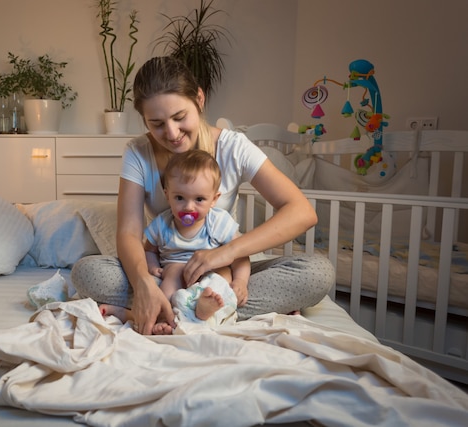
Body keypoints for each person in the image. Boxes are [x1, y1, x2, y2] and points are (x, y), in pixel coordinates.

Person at [72, 56, 334, 335]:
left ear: (199, 99)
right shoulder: (137, 153)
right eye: (156, 123)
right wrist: (144, 284)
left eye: (179, 117)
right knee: (87, 272)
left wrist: (224, 253)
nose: (171, 133)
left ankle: (177, 310)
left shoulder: (233, 147)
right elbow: (128, 232)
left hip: (221, 273)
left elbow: (302, 211)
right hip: (167, 273)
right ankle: (205, 310)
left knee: (317, 273)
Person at [100, 150, 249, 333]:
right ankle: (164, 315)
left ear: (214, 199)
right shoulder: (162, 224)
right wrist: (152, 267)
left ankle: (204, 307)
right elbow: (149, 250)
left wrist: (240, 282)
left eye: (199, 199)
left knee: (223, 276)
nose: (188, 207)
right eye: (179, 198)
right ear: (167, 194)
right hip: (176, 272)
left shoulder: (218, 222)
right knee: (173, 275)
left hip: (211, 275)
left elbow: (240, 255)